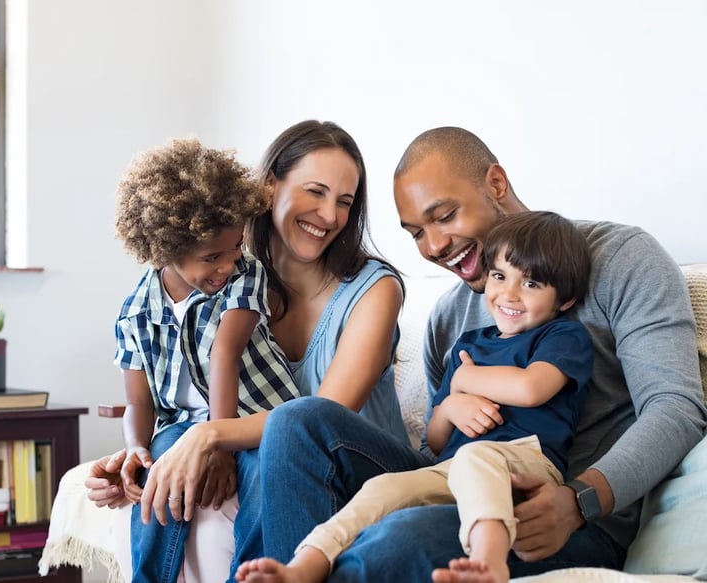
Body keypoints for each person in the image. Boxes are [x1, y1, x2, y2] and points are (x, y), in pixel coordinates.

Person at [243, 126, 707, 582]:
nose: (434, 247)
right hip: (458, 484)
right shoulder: (449, 318)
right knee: (296, 421)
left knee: (397, 540)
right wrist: (449, 410)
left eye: (444, 216)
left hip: (562, 516)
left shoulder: (621, 258)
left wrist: (579, 501)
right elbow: (436, 448)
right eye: (416, 233)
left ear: (496, 184)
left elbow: (676, 408)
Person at [85, 120, 411, 582]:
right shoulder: (224, 280)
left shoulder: (373, 290)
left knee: (283, 440)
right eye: (315, 192)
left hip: (356, 467)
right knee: (170, 463)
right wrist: (140, 456)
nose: (330, 215)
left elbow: (321, 419)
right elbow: (176, 389)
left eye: (344, 201)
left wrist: (210, 436)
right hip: (267, 450)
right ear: (269, 186)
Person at [235, 210, 594, 583]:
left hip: (526, 464)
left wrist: (465, 379)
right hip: (451, 470)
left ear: (565, 300)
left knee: (476, 456)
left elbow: (531, 388)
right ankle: (304, 566)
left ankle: (489, 562)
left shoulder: (561, 336)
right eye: (500, 276)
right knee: (383, 488)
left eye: (531, 283)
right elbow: (436, 441)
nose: (510, 294)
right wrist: (450, 405)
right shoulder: (469, 345)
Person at [113, 138, 300, 583]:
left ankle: (252, 576)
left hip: (256, 417)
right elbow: (138, 402)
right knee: (160, 470)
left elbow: (224, 353)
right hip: (181, 425)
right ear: (165, 249)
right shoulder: (135, 312)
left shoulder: (245, 274)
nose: (227, 264)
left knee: (265, 473)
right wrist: (136, 447)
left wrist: (218, 445)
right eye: (212, 257)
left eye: (234, 247)